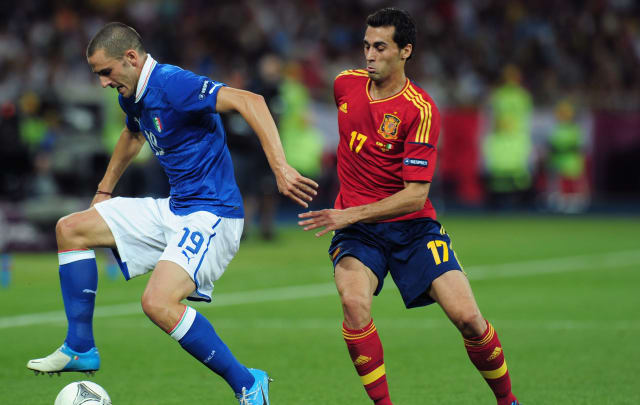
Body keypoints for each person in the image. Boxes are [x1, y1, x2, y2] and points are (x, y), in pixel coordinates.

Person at [27, 22, 318, 405]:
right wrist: (103, 191)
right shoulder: (131, 92)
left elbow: (253, 102)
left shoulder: (173, 83)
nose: (102, 83)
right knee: (71, 228)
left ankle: (248, 384)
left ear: (131, 58)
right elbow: (133, 134)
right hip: (176, 207)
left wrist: (280, 166)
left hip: (213, 214)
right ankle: (80, 347)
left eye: (105, 72)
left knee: (158, 303)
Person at [298, 9, 520, 405]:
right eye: (366, 45)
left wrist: (348, 213)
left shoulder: (420, 109)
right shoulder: (344, 85)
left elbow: (416, 195)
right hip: (359, 232)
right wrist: (350, 216)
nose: (369, 55)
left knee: (468, 319)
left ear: (405, 51)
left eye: (380, 47)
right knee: (354, 303)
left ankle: (508, 401)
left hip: (413, 227)